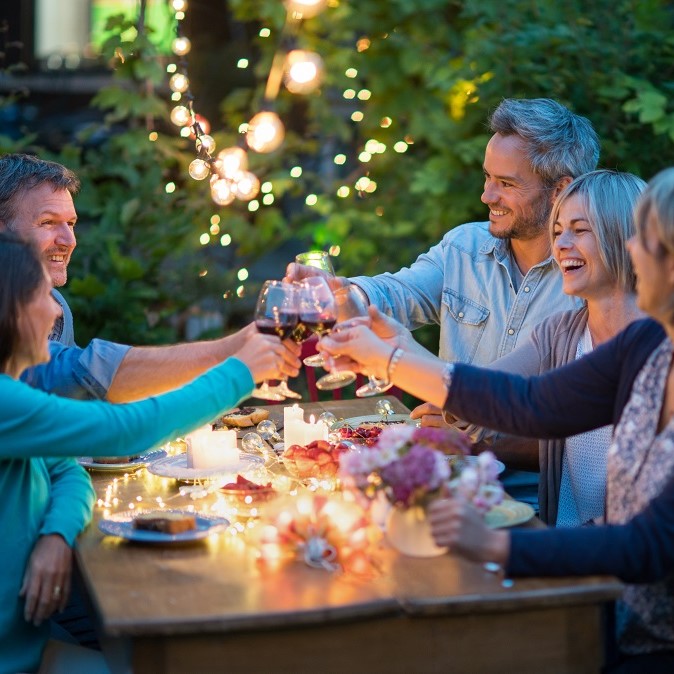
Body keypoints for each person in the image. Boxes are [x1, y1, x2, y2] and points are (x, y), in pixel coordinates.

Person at [317, 168, 674, 671]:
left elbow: (649, 544)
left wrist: (494, 544)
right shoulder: (648, 346)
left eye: (647, 243)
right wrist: (394, 350)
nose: (635, 253)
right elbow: (531, 403)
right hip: (609, 608)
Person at [0, 231, 293, 674]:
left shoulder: (15, 392)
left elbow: (65, 465)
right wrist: (241, 372)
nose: (56, 310)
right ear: (10, 310)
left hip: (31, 643)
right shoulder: (6, 403)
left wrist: (57, 533)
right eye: (42, 294)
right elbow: (124, 430)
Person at [287, 98, 600, 505]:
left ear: (560, 190)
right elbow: (398, 292)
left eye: (506, 183)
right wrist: (344, 292)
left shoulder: (590, 283)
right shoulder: (465, 247)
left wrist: (474, 438)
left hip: (533, 509)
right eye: (487, 177)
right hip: (441, 491)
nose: (487, 195)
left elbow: (583, 445)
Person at [0, 153, 300, 404]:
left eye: (72, 223)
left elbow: (75, 400)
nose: (68, 240)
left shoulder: (55, 305)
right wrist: (234, 351)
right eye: (48, 222)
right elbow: (77, 373)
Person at [446, 170, 645, 525]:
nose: (561, 245)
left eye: (580, 230)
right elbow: (487, 386)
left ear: (626, 237)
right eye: (557, 231)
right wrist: (455, 405)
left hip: (624, 562)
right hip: (561, 549)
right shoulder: (560, 333)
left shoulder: (661, 349)